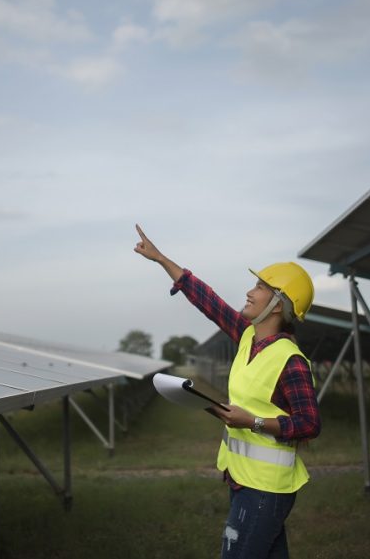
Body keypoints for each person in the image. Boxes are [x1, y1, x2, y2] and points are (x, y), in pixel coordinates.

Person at [133, 224, 321, 559]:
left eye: (261, 287)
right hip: (242, 479)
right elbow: (208, 301)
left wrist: (253, 422)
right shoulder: (249, 336)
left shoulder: (292, 362)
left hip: (265, 489)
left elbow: (309, 424)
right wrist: (161, 259)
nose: (250, 292)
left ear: (278, 305)